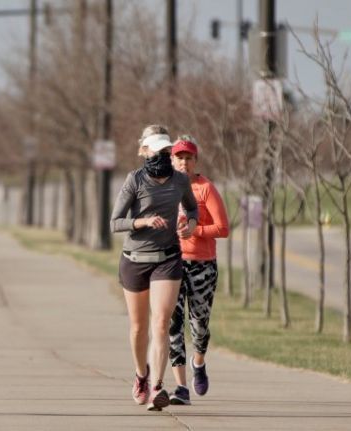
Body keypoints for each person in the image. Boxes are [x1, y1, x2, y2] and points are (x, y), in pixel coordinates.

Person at [110, 125, 198, 412]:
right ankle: (141, 376)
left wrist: (190, 224)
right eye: (156, 150)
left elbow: (192, 208)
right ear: (144, 151)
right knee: (138, 327)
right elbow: (115, 222)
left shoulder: (180, 181)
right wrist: (143, 222)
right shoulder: (134, 180)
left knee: (161, 322)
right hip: (134, 259)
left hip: (168, 258)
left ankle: (158, 387)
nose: (161, 155)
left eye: (165, 150)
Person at [167, 136, 229, 405]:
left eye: (188, 157)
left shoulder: (205, 189)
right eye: (179, 157)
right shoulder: (166, 187)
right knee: (174, 324)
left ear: (195, 161)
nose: (184, 162)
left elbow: (223, 228)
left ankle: (199, 362)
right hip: (172, 263)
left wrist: (196, 229)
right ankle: (181, 388)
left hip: (203, 265)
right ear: (171, 160)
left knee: (199, 325)